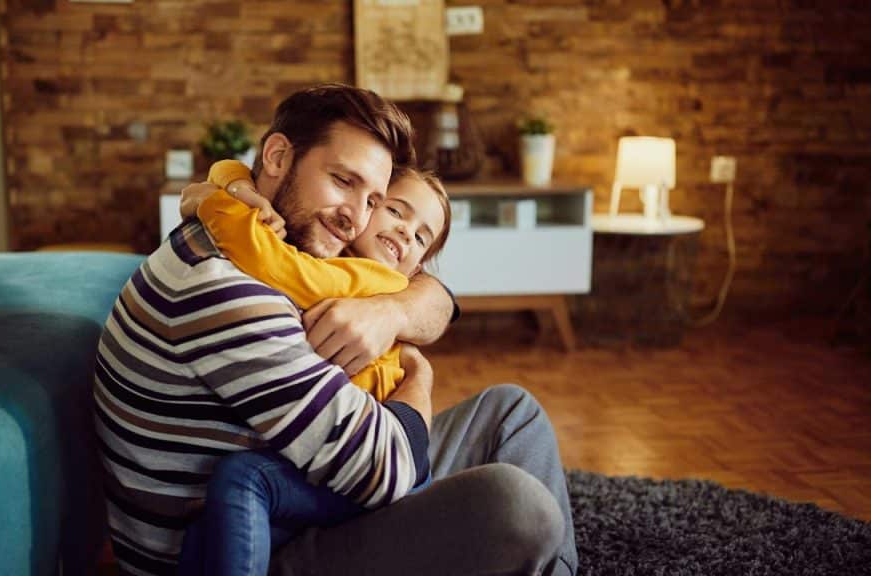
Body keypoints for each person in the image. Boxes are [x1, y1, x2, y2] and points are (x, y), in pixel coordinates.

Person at [94, 83, 577, 576]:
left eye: (373, 200)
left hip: (315, 479)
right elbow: (389, 470)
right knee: (516, 506)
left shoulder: (249, 229)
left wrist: (393, 313)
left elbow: (431, 292)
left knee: (512, 412)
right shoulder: (228, 294)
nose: (355, 218)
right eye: (343, 180)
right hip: (251, 545)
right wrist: (419, 375)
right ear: (278, 157)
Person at [174, 159, 451, 575]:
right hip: (326, 459)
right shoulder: (335, 260)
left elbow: (275, 264)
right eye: (395, 210)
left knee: (242, 479)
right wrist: (234, 186)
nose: (405, 233)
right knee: (205, 531)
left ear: (417, 267)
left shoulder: (376, 279)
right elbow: (229, 166)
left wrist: (215, 204)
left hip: (376, 466)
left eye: (421, 237)